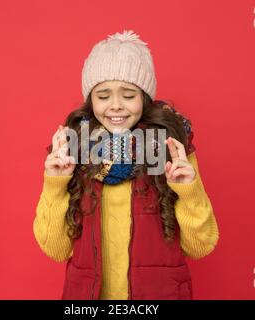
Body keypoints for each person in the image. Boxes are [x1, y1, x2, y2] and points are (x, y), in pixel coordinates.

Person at [33, 30, 219, 300]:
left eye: (129, 95)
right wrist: (55, 183)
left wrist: (188, 190)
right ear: (90, 99)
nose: (116, 106)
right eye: (103, 95)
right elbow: (55, 249)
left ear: (144, 98)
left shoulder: (171, 149)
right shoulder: (73, 151)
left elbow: (200, 246)